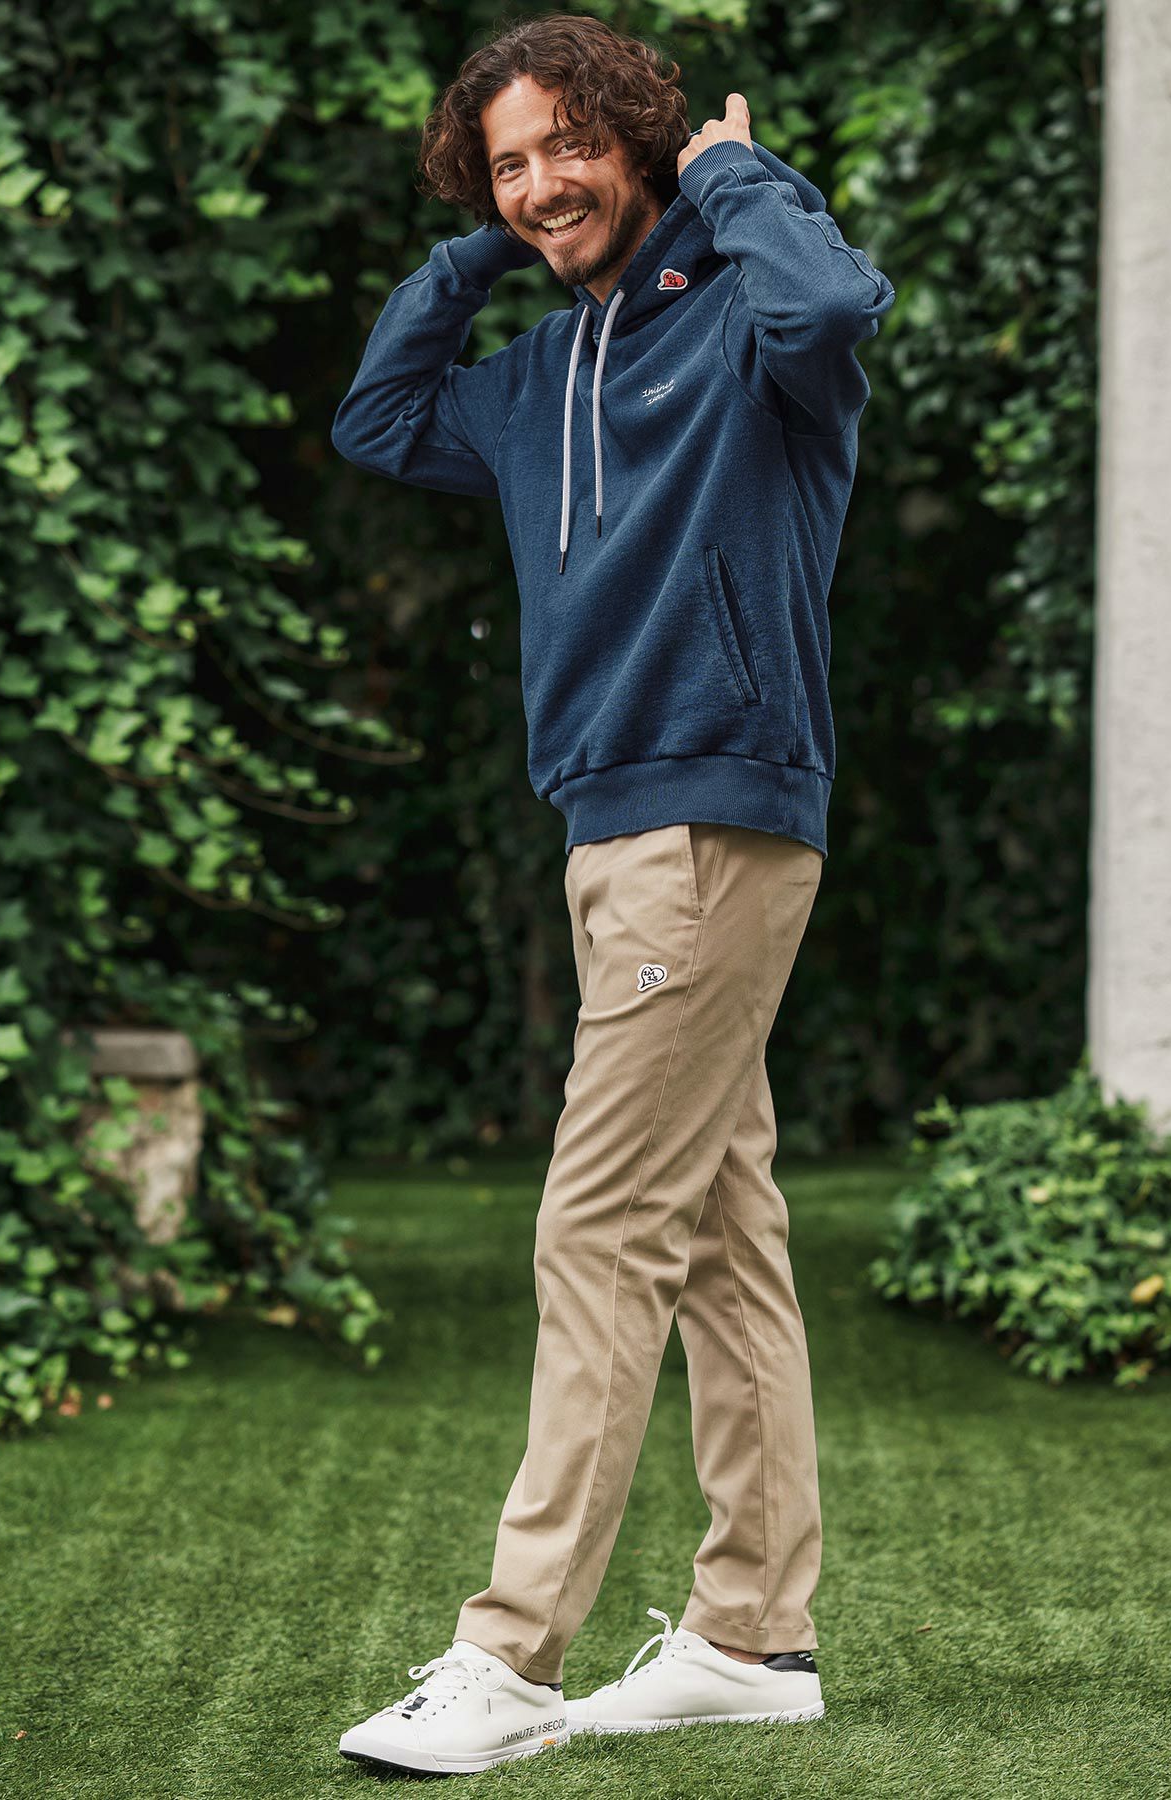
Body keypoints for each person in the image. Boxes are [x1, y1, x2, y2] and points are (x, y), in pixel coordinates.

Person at [330, 10, 893, 1778]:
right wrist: (488, 248)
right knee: (720, 1238)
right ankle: (752, 1638)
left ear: (644, 139)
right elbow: (379, 418)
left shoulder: (755, 332)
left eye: (570, 145)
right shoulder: (532, 381)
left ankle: (510, 1659)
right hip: (609, 832)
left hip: (710, 816)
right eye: (507, 162)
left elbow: (835, 304)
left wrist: (737, 177)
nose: (541, 182)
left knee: (599, 1231)